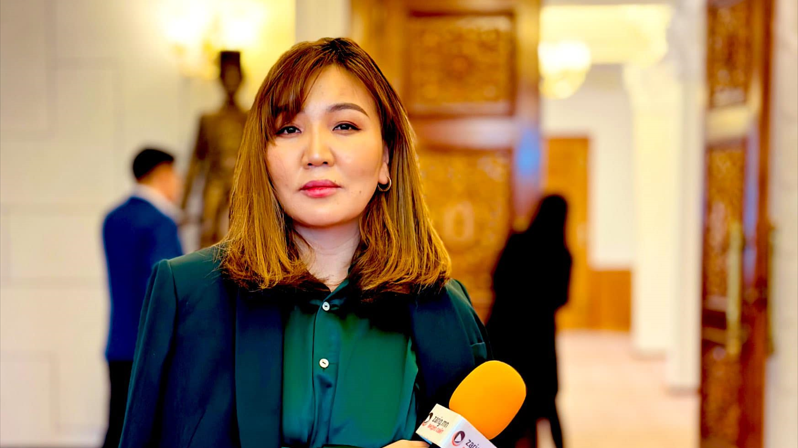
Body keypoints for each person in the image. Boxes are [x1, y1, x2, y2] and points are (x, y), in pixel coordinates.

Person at [118, 38, 490, 448]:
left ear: (386, 158)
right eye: (289, 129)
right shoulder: (187, 294)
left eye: (344, 126)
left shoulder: (444, 310)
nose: (316, 154)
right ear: (262, 156)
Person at [101, 147, 183, 448]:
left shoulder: (113, 218)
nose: (179, 182)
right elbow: (163, 288)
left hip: (120, 342)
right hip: (151, 345)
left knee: (119, 429)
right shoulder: (160, 222)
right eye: (176, 174)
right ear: (163, 174)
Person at [487, 195, 572, 448]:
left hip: (507, 331)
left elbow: (496, 280)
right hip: (539, 336)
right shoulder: (561, 254)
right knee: (545, 399)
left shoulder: (518, 241)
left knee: (512, 399)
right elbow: (562, 298)